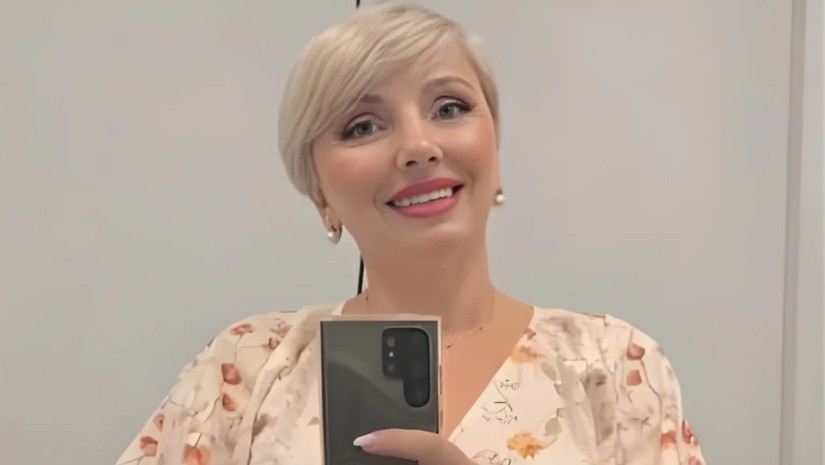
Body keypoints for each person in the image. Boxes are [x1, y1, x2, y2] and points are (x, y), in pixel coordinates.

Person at [115, 3, 706, 465]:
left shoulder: (616, 368)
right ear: (320, 193)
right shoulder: (247, 367)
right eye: (362, 125)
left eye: (449, 108)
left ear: (495, 147)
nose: (419, 147)